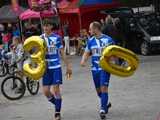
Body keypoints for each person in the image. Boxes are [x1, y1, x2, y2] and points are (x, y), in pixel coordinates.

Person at [80, 21, 114, 119]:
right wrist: (83, 61)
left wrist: (114, 62)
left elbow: (114, 52)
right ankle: (105, 103)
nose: (89, 31)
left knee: (104, 88)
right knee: (99, 91)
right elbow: (87, 52)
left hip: (105, 68)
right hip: (95, 69)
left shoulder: (108, 40)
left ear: (95, 29)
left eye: (90, 29)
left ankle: (102, 109)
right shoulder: (90, 41)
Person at [40, 19, 72, 120]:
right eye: (44, 26)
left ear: (51, 27)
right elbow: (36, 52)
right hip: (45, 68)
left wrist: (68, 66)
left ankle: (57, 112)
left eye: (47, 26)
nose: (45, 28)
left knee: (56, 90)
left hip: (56, 67)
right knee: (46, 92)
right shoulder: (40, 38)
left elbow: (62, 52)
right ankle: (58, 103)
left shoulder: (57, 38)